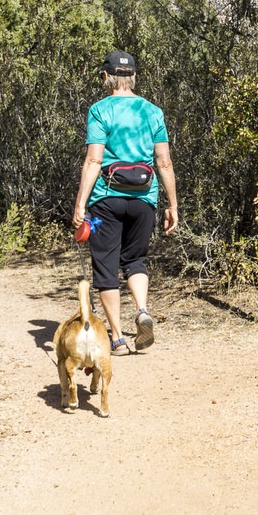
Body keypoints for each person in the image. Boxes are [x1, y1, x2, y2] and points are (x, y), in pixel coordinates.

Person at [73, 50, 179, 356]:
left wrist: (80, 204)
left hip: (107, 198)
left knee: (106, 267)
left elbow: (94, 160)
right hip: (144, 198)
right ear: (132, 77)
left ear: (106, 77)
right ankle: (143, 310)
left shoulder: (100, 110)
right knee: (135, 260)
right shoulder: (153, 111)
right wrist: (172, 205)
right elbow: (165, 162)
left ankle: (117, 339)